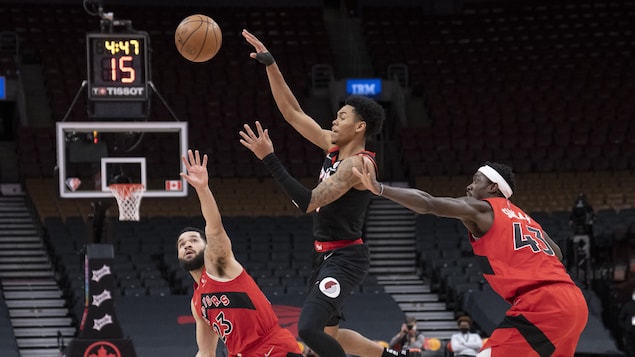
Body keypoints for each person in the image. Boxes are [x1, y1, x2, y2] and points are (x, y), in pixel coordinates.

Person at [241, 30, 412, 357]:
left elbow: (308, 202)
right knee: (333, 336)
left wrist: (269, 158)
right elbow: (292, 113)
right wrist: (271, 65)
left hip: (346, 257)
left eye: (343, 116)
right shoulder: (334, 149)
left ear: (360, 127)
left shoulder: (358, 165)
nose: (334, 119)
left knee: (307, 329)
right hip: (324, 255)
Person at [353, 161, 589, 356]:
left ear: (493, 187)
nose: (468, 186)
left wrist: (380, 188)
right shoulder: (525, 218)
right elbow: (556, 252)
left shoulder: (484, 209)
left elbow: (429, 204)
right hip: (574, 302)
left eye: (476, 180)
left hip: (543, 304)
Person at [177, 149, 302, 357]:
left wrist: (203, 189)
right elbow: (205, 352)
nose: (187, 246)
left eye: (193, 240)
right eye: (181, 244)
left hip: (272, 348)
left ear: (207, 247)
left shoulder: (220, 266)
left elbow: (214, 228)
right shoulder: (196, 302)